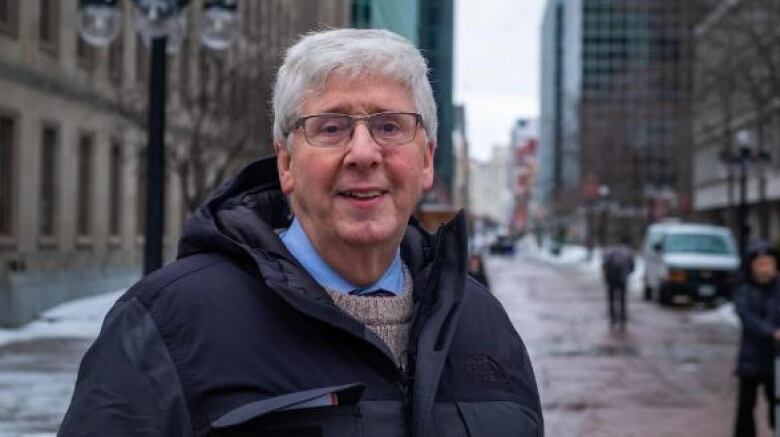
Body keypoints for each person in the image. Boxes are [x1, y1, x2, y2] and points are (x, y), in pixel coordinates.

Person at [58, 29, 543, 436]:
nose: (363, 153)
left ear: (427, 160)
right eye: (330, 128)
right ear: (286, 163)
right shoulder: (165, 324)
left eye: (390, 127)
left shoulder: (485, 324)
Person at [734, 241, 780, 437]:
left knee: (776, 401)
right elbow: (747, 316)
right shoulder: (744, 289)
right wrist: (771, 331)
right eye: (760, 263)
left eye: (768, 263)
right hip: (751, 357)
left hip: (776, 357)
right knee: (746, 406)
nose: (765, 268)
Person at [601, 238, 634, 330]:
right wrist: (626, 274)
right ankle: (623, 318)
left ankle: (613, 318)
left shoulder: (610, 252)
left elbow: (605, 265)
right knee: (622, 300)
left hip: (611, 279)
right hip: (622, 279)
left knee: (612, 299)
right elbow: (632, 267)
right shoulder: (627, 253)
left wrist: (606, 277)